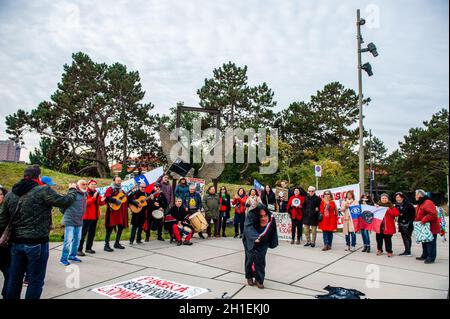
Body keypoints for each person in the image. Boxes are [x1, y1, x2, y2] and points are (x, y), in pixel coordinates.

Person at [0, 165, 77, 299]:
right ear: (38, 177)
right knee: (35, 281)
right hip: (37, 243)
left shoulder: (11, 194)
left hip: (16, 244)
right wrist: (72, 190)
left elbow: (1, 220)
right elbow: (65, 201)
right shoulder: (42, 191)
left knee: (14, 279)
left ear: (24, 176)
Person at [243, 205, 278, 289]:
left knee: (260, 259)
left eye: (265, 215)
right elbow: (248, 227)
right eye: (261, 216)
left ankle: (259, 280)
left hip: (263, 240)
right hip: (250, 239)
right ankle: (249, 276)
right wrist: (255, 237)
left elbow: (272, 229)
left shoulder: (271, 217)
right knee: (250, 258)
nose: (263, 218)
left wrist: (272, 242)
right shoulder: (251, 215)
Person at [59, 180, 88, 266]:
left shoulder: (85, 194)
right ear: (78, 186)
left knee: (77, 240)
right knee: (68, 241)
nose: (85, 186)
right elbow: (62, 206)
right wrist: (68, 215)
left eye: (86, 184)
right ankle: (63, 259)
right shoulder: (73, 193)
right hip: (70, 221)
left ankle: (72, 256)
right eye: (83, 184)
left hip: (79, 221)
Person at [78, 180, 104, 256]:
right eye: (92, 184)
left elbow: (101, 203)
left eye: (95, 184)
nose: (94, 185)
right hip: (87, 216)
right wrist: (93, 198)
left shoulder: (97, 193)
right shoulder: (85, 192)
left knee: (91, 234)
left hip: (95, 216)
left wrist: (104, 199)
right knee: (83, 233)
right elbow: (85, 203)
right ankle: (79, 249)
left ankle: (88, 248)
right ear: (88, 185)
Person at [103, 176, 130, 252]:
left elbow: (125, 198)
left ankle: (117, 243)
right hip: (113, 212)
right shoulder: (110, 188)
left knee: (120, 227)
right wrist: (115, 200)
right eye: (118, 180)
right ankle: (106, 245)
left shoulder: (121, 190)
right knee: (110, 228)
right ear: (114, 181)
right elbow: (106, 197)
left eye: (120, 180)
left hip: (120, 212)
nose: (119, 182)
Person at [414, 189, 440, 264]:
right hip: (423, 227)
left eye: (416, 195)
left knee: (430, 242)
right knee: (424, 241)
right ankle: (425, 255)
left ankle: (431, 257)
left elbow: (432, 214)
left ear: (420, 195)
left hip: (430, 227)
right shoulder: (421, 202)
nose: (415, 196)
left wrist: (423, 220)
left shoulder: (428, 202)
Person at [394, 192, 416, 256]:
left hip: (408, 223)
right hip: (401, 222)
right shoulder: (397, 204)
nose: (397, 198)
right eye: (396, 197)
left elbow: (413, 214)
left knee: (407, 237)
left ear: (402, 197)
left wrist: (410, 222)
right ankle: (407, 250)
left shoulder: (409, 204)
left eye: (398, 197)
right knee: (404, 237)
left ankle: (408, 251)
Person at [0, 186, 10, 298]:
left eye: (0, 194)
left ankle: (6, 294)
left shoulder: (7, 209)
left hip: (4, 248)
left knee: (9, 273)